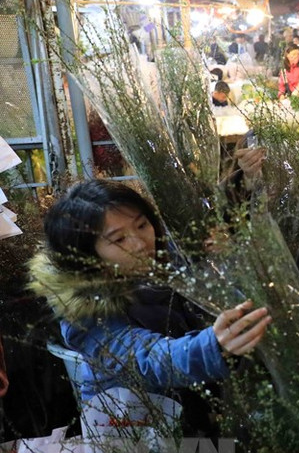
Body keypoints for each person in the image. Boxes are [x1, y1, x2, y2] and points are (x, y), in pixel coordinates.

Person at [28, 180, 271, 433]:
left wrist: (242, 183)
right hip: (137, 431)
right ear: (87, 255)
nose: (140, 243)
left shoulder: (166, 261)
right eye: (119, 239)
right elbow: (149, 358)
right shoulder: (86, 314)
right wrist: (212, 347)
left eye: (142, 225)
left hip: (197, 414)